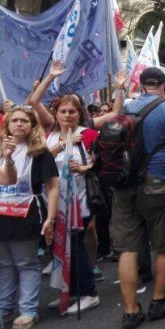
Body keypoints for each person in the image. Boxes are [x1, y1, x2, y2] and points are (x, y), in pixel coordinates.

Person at [110, 67, 165, 329]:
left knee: (128, 249)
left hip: (125, 186)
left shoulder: (127, 108)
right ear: (162, 85)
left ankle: (130, 310)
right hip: (159, 182)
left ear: (142, 84)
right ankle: (158, 300)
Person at [43, 93, 106, 315]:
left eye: (72, 111)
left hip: (81, 201)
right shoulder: (49, 138)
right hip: (54, 202)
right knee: (60, 246)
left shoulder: (88, 134)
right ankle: (69, 291)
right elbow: (40, 160)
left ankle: (89, 292)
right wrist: (63, 145)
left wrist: (84, 168)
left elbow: (100, 162)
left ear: (79, 114)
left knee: (75, 245)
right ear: (56, 114)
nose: (68, 115)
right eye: (63, 111)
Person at [0, 106, 58, 329]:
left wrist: (50, 219)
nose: (19, 124)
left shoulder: (40, 152)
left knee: (26, 263)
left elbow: (52, 188)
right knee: (4, 264)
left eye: (25, 120)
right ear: (7, 124)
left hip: (26, 212)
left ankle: (28, 309)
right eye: (14, 120)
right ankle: (5, 307)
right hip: (2, 214)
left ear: (33, 125)